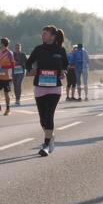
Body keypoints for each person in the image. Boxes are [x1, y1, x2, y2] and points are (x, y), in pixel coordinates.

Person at [25, 26, 69, 156]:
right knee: (43, 119)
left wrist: (64, 72)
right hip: (40, 86)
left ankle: (45, 144)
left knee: (49, 115)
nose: (42, 35)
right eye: (42, 33)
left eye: (45, 33)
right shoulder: (38, 49)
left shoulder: (60, 50)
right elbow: (28, 63)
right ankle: (51, 137)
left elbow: (65, 65)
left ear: (53, 36)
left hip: (54, 87)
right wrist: (30, 70)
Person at [0, 37, 15, 115]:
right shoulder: (0, 53)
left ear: (3, 44)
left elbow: (12, 65)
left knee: (6, 93)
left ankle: (8, 109)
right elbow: (1, 64)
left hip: (7, 77)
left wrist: (2, 67)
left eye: (0, 43)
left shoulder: (9, 53)